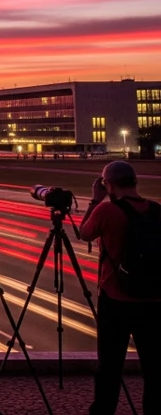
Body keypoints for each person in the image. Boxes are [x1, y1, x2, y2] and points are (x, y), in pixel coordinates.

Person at [79, 160, 160, 414]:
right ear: (135, 182)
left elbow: (84, 233)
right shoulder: (156, 210)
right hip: (154, 300)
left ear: (108, 185)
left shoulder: (106, 210)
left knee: (110, 366)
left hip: (115, 299)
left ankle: (103, 411)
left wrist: (95, 200)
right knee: (154, 367)